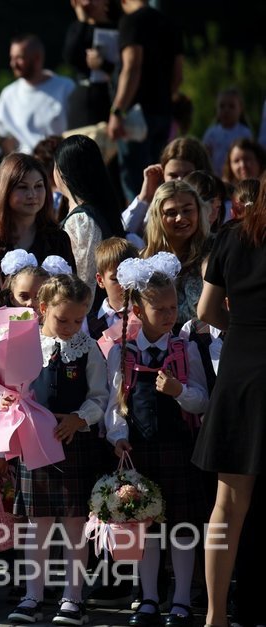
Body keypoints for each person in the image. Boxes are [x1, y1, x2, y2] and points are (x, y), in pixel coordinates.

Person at [106, 254, 209, 627]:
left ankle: (180, 601)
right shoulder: (122, 353)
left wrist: (180, 391)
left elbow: (203, 400)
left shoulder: (184, 348)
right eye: (160, 309)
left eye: (173, 308)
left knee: (181, 528)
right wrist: (118, 437)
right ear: (137, 310)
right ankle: (149, 597)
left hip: (178, 448)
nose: (169, 315)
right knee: (144, 527)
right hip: (141, 451)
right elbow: (115, 405)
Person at [5, 274, 108, 627]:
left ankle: (73, 597)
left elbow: (100, 396)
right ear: (42, 308)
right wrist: (8, 400)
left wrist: (80, 419)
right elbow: (11, 388)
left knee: (75, 523)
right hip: (35, 443)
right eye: (62, 320)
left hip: (73, 443)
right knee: (38, 524)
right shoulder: (25, 344)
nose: (70, 328)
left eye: (78, 320)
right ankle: (32, 595)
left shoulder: (88, 348)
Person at [192, 181, 266, 627]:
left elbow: (205, 311)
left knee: (227, 506)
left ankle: (214, 616)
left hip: (240, 371)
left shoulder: (232, 235)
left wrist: (241, 327)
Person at [0, 153, 76, 300]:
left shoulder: (57, 238)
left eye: (38, 186)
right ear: (5, 190)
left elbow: (69, 295)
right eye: (23, 187)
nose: (32, 194)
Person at [108, 0, 184, 200]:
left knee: (137, 186)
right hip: (163, 113)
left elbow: (132, 66)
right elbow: (178, 75)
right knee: (159, 180)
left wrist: (117, 111)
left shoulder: (131, 21)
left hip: (136, 117)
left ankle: (141, 221)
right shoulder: (169, 23)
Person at [54, 134, 125, 304]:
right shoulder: (99, 209)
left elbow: (85, 281)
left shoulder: (82, 220)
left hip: (86, 313)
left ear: (63, 171)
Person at [142, 180, 210, 329]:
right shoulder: (145, 260)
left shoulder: (216, 250)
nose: (180, 218)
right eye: (171, 213)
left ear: (199, 211)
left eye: (187, 210)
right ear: (158, 217)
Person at [0, 34, 75, 155]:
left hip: (60, 160)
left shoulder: (66, 87)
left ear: (37, 58)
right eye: (12, 58)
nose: (13, 64)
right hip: (24, 163)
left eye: (19, 58)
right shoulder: (8, 95)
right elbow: (4, 138)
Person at [122, 137, 214, 241]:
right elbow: (121, 236)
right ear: (163, 175)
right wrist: (145, 198)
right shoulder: (153, 207)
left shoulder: (215, 205)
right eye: (173, 175)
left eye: (187, 175)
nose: (179, 181)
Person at [62, 0, 115, 129]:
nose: (87, 3)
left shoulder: (118, 27)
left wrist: (103, 64)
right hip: (85, 97)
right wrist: (82, 21)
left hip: (111, 97)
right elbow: (70, 57)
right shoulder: (78, 28)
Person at [86, 237, 139, 340]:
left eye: (130, 277)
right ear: (100, 280)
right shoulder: (88, 323)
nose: (124, 285)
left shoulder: (146, 316)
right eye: (116, 279)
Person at [202, 87, 253, 175]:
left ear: (240, 109)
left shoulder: (245, 133)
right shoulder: (212, 133)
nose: (226, 110)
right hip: (215, 177)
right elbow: (204, 157)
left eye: (231, 106)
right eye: (222, 106)